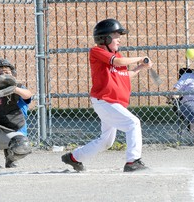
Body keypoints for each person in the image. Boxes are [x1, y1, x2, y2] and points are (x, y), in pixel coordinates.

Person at [61, 18, 153, 172]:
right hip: (105, 101)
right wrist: (140, 58)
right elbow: (117, 63)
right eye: (116, 37)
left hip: (113, 102)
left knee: (106, 141)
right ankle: (133, 162)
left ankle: (73, 158)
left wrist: (139, 67)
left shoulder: (117, 56)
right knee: (133, 123)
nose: (119, 40)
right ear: (105, 38)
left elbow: (123, 75)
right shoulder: (97, 51)